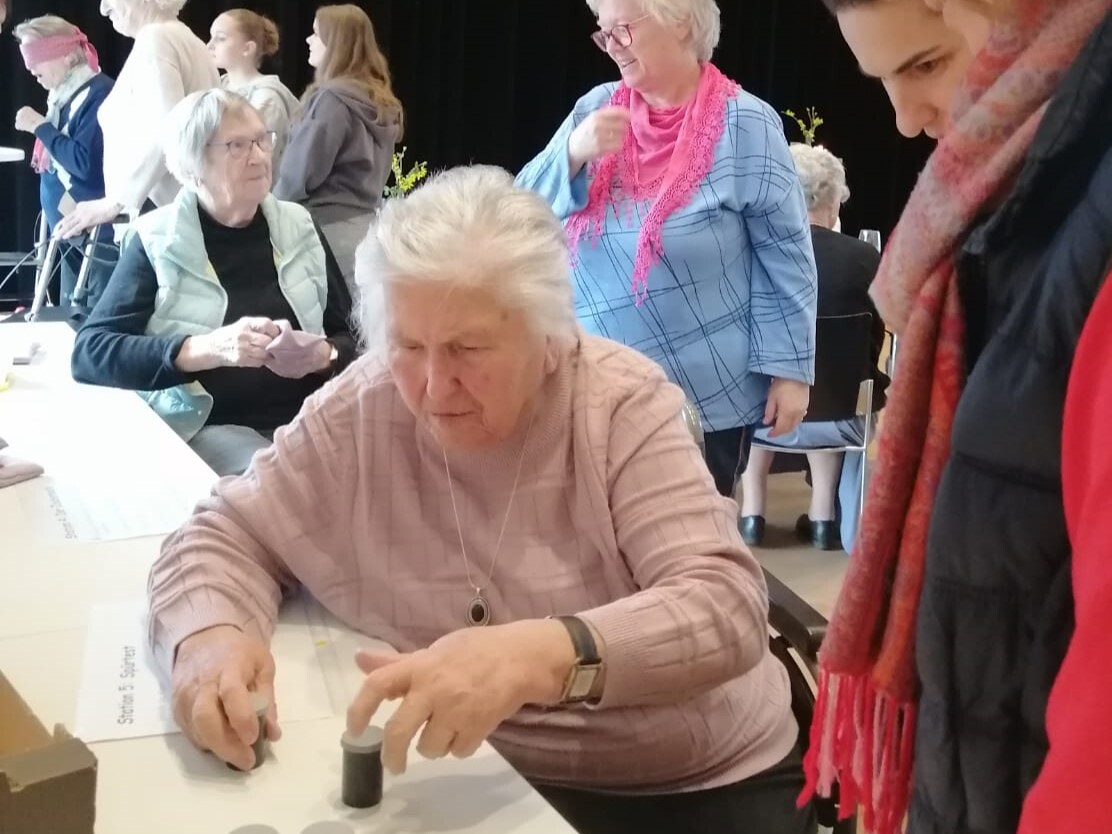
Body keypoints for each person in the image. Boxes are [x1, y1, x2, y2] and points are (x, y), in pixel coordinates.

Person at [147, 165, 816, 834]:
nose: (434, 386)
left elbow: (722, 604)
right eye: (408, 345)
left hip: (679, 783)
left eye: (468, 348)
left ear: (548, 334)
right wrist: (209, 637)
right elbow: (226, 533)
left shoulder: (617, 405)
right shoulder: (367, 402)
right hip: (468, 776)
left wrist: (541, 656)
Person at [800, 2, 1112, 834]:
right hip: (995, 752)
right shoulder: (1018, 192)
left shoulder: (1071, 198)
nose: (905, 120)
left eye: (927, 63)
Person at [516, 0, 817, 498]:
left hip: (706, 397)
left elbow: (786, 254)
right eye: (604, 33)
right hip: (588, 387)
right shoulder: (596, 109)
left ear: (680, 22)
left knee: (688, 537)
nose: (612, 46)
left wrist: (790, 371)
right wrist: (572, 153)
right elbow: (518, 210)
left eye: (623, 30)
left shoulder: (747, 123)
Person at [71, 90, 357, 477]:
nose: (259, 156)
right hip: (209, 426)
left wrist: (326, 356)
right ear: (192, 166)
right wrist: (206, 349)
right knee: (274, 480)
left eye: (262, 139)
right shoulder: (157, 238)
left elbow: (353, 337)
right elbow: (90, 353)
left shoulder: (300, 226)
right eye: (237, 146)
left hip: (307, 419)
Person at [739, 143, 888, 552]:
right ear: (835, 201)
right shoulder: (866, 258)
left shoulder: (753, 254)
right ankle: (824, 519)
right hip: (841, 422)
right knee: (838, 386)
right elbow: (874, 344)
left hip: (762, 418)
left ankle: (752, 513)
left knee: (756, 384)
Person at [53, 0, 218, 240]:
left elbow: (169, 133)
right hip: (179, 212)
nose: (103, 9)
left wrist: (115, 202)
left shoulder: (155, 40)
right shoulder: (188, 40)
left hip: (159, 217)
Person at [274, 4, 402, 295]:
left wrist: (269, 212)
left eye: (316, 33)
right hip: (364, 230)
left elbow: (301, 172)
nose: (308, 40)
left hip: (323, 233)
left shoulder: (332, 99)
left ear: (337, 42)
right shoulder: (380, 101)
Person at [12, 15, 115, 308]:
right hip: (72, 233)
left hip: (98, 236)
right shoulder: (62, 97)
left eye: (36, 59)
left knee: (94, 317)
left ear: (67, 56)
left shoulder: (98, 94)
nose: (30, 69)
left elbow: (85, 165)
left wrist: (40, 127)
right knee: (72, 314)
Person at [208, 9, 298, 175]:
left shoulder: (268, 99)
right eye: (211, 37)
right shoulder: (217, 87)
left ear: (247, 48)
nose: (210, 45)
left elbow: (258, 161)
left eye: (221, 38)